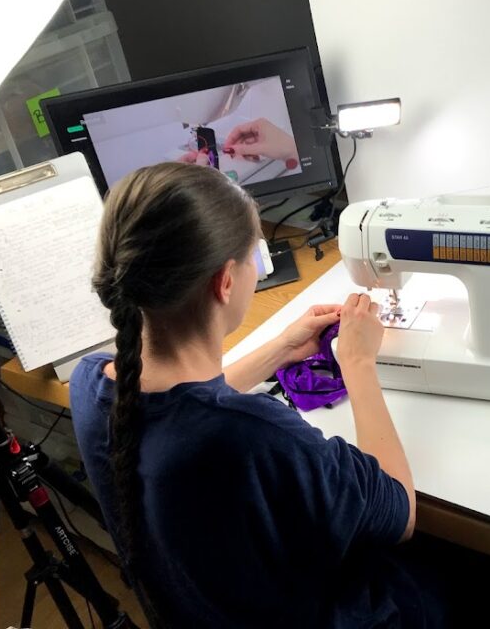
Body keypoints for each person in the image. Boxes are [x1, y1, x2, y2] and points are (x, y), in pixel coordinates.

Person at [70, 162, 427, 628]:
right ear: (225, 281)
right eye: (254, 256)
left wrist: (280, 349)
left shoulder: (91, 383)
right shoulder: (253, 435)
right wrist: (357, 363)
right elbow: (400, 511)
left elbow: (183, 406)